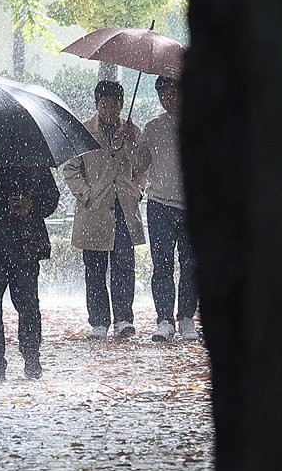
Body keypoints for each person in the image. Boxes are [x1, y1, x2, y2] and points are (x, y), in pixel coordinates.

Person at [63, 80, 148, 340]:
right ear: (97, 104)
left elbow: (142, 167)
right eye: (104, 104)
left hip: (123, 207)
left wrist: (132, 145)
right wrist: (86, 195)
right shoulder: (83, 132)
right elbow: (71, 169)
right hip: (94, 210)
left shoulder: (133, 132)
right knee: (95, 268)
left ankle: (124, 318)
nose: (109, 109)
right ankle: (99, 321)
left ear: (122, 105)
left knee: (124, 265)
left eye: (114, 104)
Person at [0, 165, 60, 381]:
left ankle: (31, 356)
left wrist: (31, 206)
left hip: (25, 246)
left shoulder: (34, 163)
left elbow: (51, 198)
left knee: (27, 305)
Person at [135, 75, 198, 341]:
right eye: (162, 95)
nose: (167, 99)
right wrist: (131, 140)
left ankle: (186, 317)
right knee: (161, 265)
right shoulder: (152, 128)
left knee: (191, 264)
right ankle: (164, 319)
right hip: (159, 204)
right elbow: (138, 166)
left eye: (172, 93)